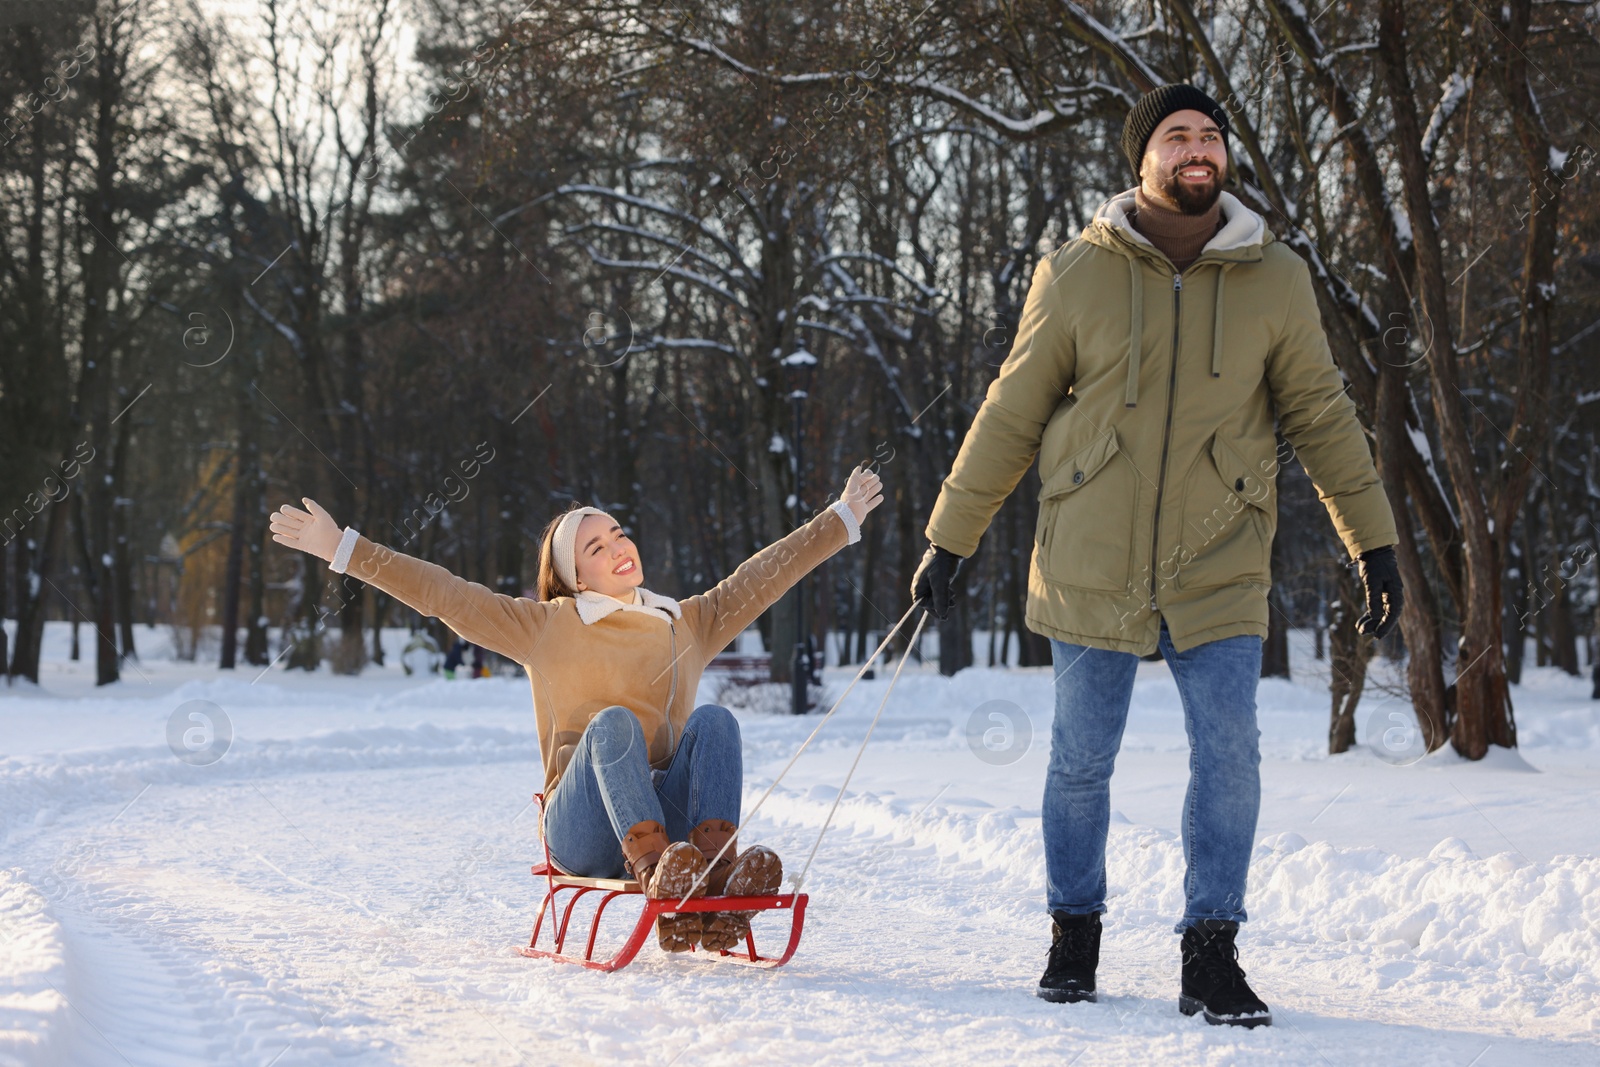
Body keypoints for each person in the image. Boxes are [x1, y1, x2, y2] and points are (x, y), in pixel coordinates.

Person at [912, 84, 1403, 1027]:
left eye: (1210, 135)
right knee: (1080, 762)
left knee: (1229, 756)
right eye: (1177, 135)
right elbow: (1010, 413)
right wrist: (950, 535)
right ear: (1141, 160)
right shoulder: (1076, 274)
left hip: (1219, 556)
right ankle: (1074, 936)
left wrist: (1371, 542)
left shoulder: (1277, 277)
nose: (1197, 148)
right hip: (1090, 553)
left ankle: (1210, 950)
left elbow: (1323, 417)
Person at [271, 465, 884, 953]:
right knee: (611, 721)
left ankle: (711, 881)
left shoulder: (687, 620)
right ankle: (660, 881)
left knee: (716, 721)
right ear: (577, 579)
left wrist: (840, 520)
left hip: (673, 837)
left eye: (619, 532)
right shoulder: (547, 626)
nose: (618, 545)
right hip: (583, 827)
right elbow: (443, 595)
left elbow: (761, 578)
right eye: (596, 545)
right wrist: (342, 548)